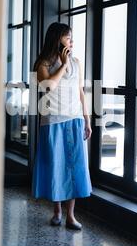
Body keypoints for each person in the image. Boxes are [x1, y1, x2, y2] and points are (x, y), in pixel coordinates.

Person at [32, 22, 92, 231]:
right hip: (53, 121)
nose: (72, 41)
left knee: (73, 167)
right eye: (68, 38)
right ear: (57, 39)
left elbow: (80, 91)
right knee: (56, 166)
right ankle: (57, 212)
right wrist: (64, 64)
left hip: (74, 119)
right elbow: (48, 86)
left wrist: (87, 118)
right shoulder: (43, 63)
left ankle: (70, 215)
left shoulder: (77, 61)